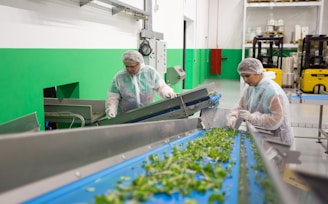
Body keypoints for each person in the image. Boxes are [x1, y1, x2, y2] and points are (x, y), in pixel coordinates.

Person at [226, 58, 293, 145]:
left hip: (277, 138)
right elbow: (240, 105)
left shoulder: (272, 91)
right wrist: (234, 116)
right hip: (258, 135)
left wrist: (252, 118)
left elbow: (276, 119)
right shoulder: (250, 88)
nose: (245, 80)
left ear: (258, 72)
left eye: (247, 76)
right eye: (242, 77)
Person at [105, 50, 177, 119]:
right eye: (127, 66)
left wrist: (168, 92)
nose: (129, 69)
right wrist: (111, 109)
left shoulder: (150, 72)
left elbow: (161, 87)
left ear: (139, 63)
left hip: (148, 114)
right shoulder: (119, 77)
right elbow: (113, 97)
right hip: (126, 116)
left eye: (132, 66)